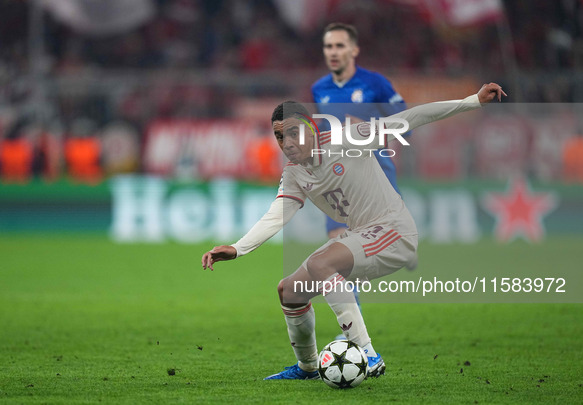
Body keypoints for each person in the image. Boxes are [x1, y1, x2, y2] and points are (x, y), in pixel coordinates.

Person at [202, 83, 506, 381]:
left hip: (394, 231)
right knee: (290, 291)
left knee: (323, 264)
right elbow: (276, 215)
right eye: (280, 136)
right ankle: (307, 367)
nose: (288, 142)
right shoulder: (294, 174)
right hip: (361, 236)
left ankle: (368, 354)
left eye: (294, 133)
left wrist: (472, 101)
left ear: (310, 127)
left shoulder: (348, 139)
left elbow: (412, 118)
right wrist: (238, 248)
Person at [312, 22, 409, 240]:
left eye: (340, 45)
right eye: (329, 46)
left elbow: (405, 124)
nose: (333, 52)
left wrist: (369, 130)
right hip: (338, 176)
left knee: (372, 248)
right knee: (338, 242)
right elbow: (323, 129)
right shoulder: (319, 89)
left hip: (375, 175)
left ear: (354, 50)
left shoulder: (375, 83)